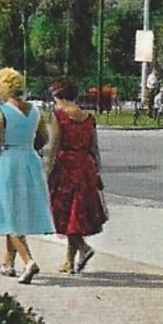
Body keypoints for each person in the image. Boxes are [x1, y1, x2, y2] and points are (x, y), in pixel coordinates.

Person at [0, 66, 54, 284]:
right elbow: (43, 137)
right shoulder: (35, 111)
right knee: (16, 210)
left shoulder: (1, 112)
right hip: (29, 161)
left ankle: (28, 261)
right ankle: (8, 263)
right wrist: (30, 146)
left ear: (5, 88)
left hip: (9, 161)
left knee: (8, 214)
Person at [44, 77, 105, 274]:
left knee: (64, 211)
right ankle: (69, 261)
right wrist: (96, 171)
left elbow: (54, 146)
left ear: (58, 96)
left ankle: (83, 248)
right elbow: (94, 148)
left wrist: (47, 170)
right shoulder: (88, 117)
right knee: (75, 213)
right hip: (85, 166)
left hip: (66, 167)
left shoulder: (59, 116)